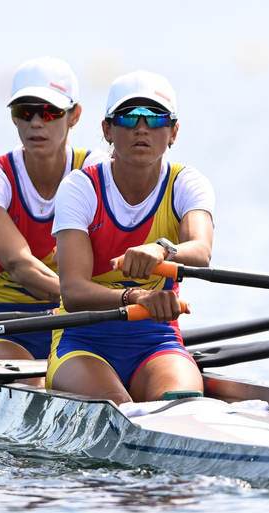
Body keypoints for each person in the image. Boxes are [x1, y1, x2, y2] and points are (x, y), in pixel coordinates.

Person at [47, 70, 215, 405]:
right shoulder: (80, 188)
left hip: (156, 339)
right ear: (108, 130)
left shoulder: (187, 184)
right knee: (116, 406)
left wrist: (161, 250)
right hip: (83, 339)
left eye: (155, 118)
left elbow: (200, 252)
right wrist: (134, 298)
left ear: (173, 132)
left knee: (182, 404)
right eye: (128, 117)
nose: (141, 127)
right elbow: (74, 291)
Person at [0, 57, 104, 381]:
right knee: (33, 381)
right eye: (24, 111)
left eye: (50, 111)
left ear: (75, 116)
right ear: (13, 117)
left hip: (78, 323)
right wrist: (88, 297)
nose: (36, 123)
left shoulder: (95, 170)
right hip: (4, 328)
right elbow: (20, 266)